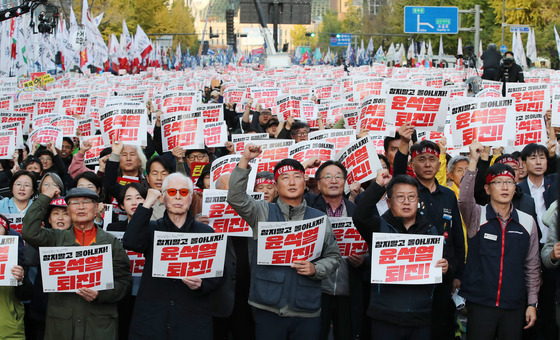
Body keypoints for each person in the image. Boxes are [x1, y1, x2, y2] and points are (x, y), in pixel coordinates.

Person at [227, 144, 341, 340]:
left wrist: (315, 269)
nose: (291, 182)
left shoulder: (319, 218)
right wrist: (245, 160)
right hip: (267, 307)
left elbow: (333, 256)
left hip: (306, 310)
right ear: (276, 186)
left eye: (297, 177)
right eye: (284, 178)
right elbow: (235, 197)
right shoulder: (262, 211)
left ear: (305, 183)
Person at [21, 187, 132, 339]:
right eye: (74, 203)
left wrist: (101, 294)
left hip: (98, 325)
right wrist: (45, 197)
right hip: (62, 326)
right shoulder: (55, 238)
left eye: (86, 202)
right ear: (68, 209)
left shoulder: (110, 242)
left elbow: (124, 282)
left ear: (96, 208)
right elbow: (29, 232)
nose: (80, 207)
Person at [123, 173, 222, 339]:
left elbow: (220, 274)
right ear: (162, 198)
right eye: (171, 192)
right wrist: (147, 203)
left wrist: (202, 284)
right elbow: (130, 241)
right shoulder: (151, 229)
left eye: (183, 192)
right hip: (153, 319)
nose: (177, 196)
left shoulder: (206, 232)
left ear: (190, 198)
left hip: (191, 319)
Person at [458, 141, 540, 340]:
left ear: (515, 187)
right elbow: (464, 199)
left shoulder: (527, 221)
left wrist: (532, 303)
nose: (504, 187)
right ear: (487, 189)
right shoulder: (477, 215)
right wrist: (473, 161)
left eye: (509, 182)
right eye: (498, 182)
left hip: (514, 304)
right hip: (481, 303)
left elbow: (532, 266)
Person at [353, 172, 449, 340]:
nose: (406, 202)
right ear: (389, 202)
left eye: (412, 197)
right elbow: (360, 216)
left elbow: (440, 265)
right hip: (385, 315)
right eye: (400, 197)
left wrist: (444, 266)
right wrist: (377, 186)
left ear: (418, 202)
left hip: (421, 316)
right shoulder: (379, 226)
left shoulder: (430, 231)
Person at [393, 124, 464, 340]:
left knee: (441, 327)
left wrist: (457, 273)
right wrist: (404, 144)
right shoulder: (407, 190)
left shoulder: (448, 195)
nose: (427, 164)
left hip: (443, 273)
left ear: (439, 163)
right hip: (413, 272)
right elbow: (397, 174)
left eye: (432, 159)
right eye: (421, 159)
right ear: (412, 164)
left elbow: (456, 236)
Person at [307, 160, 364, 340]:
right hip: (316, 290)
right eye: (328, 177)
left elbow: (369, 246)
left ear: (345, 182)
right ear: (318, 182)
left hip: (347, 290)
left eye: (338, 177)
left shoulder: (358, 212)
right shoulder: (307, 209)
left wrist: (364, 260)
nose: (334, 181)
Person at [0, 214, 32, 339]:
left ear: (6, 233)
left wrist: (21, 280)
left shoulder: (15, 259)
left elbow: (27, 295)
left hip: (9, 329)